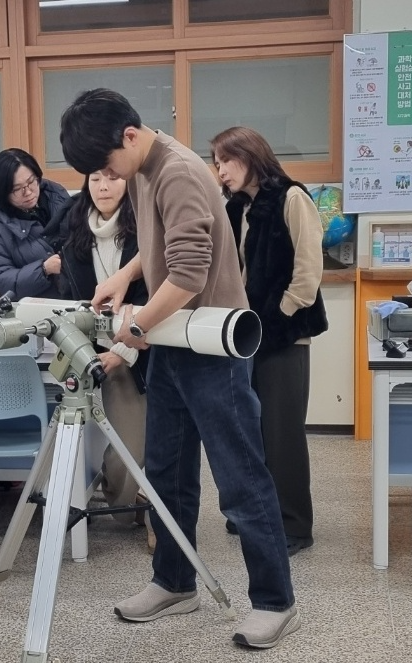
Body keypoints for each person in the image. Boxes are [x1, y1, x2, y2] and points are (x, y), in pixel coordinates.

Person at [60, 89, 298, 649]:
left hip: (211, 346)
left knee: (240, 479)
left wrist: (136, 325)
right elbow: (164, 242)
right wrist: (126, 275)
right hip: (173, 343)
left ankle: (275, 600)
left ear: (129, 136)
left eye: (104, 163)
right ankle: (173, 581)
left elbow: (190, 272)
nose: (105, 177)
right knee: (164, 471)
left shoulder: (179, 172)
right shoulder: (145, 166)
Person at [210, 126, 328, 557]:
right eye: (216, 162)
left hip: (284, 334)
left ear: (250, 155)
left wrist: (277, 316)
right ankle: (257, 512)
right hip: (244, 335)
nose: (220, 170)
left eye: (226, 160)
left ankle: (295, 524)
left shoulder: (291, 197)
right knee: (250, 430)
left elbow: (308, 274)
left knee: (283, 434)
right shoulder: (237, 207)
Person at [57, 171, 151, 537]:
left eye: (112, 177)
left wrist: (123, 351)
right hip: (92, 355)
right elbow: (73, 304)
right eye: (95, 178)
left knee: (136, 441)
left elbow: (151, 299)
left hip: (141, 351)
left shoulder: (144, 232)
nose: (103, 186)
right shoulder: (76, 239)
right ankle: (127, 506)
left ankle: (142, 509)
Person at [0, 148, 70, 299]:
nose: (28, 192)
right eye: (17, 189)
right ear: (2, 192)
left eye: (31, 182)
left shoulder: (65, 205)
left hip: (79, 304)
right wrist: (43, 269)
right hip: (37, 314)